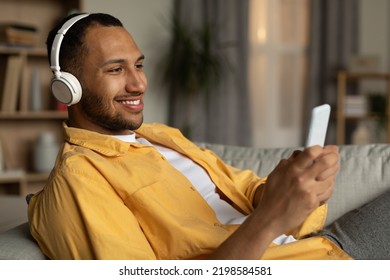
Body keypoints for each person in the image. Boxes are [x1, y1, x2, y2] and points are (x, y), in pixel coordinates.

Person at [27, 12, 390, 260]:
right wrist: (271, 220)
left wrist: (281, 187)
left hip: (311, 247)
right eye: (115, 69)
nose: (138, 83)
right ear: (67, 88)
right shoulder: (80, 178)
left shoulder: (158, 136)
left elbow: (243, 188)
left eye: (138, 65)